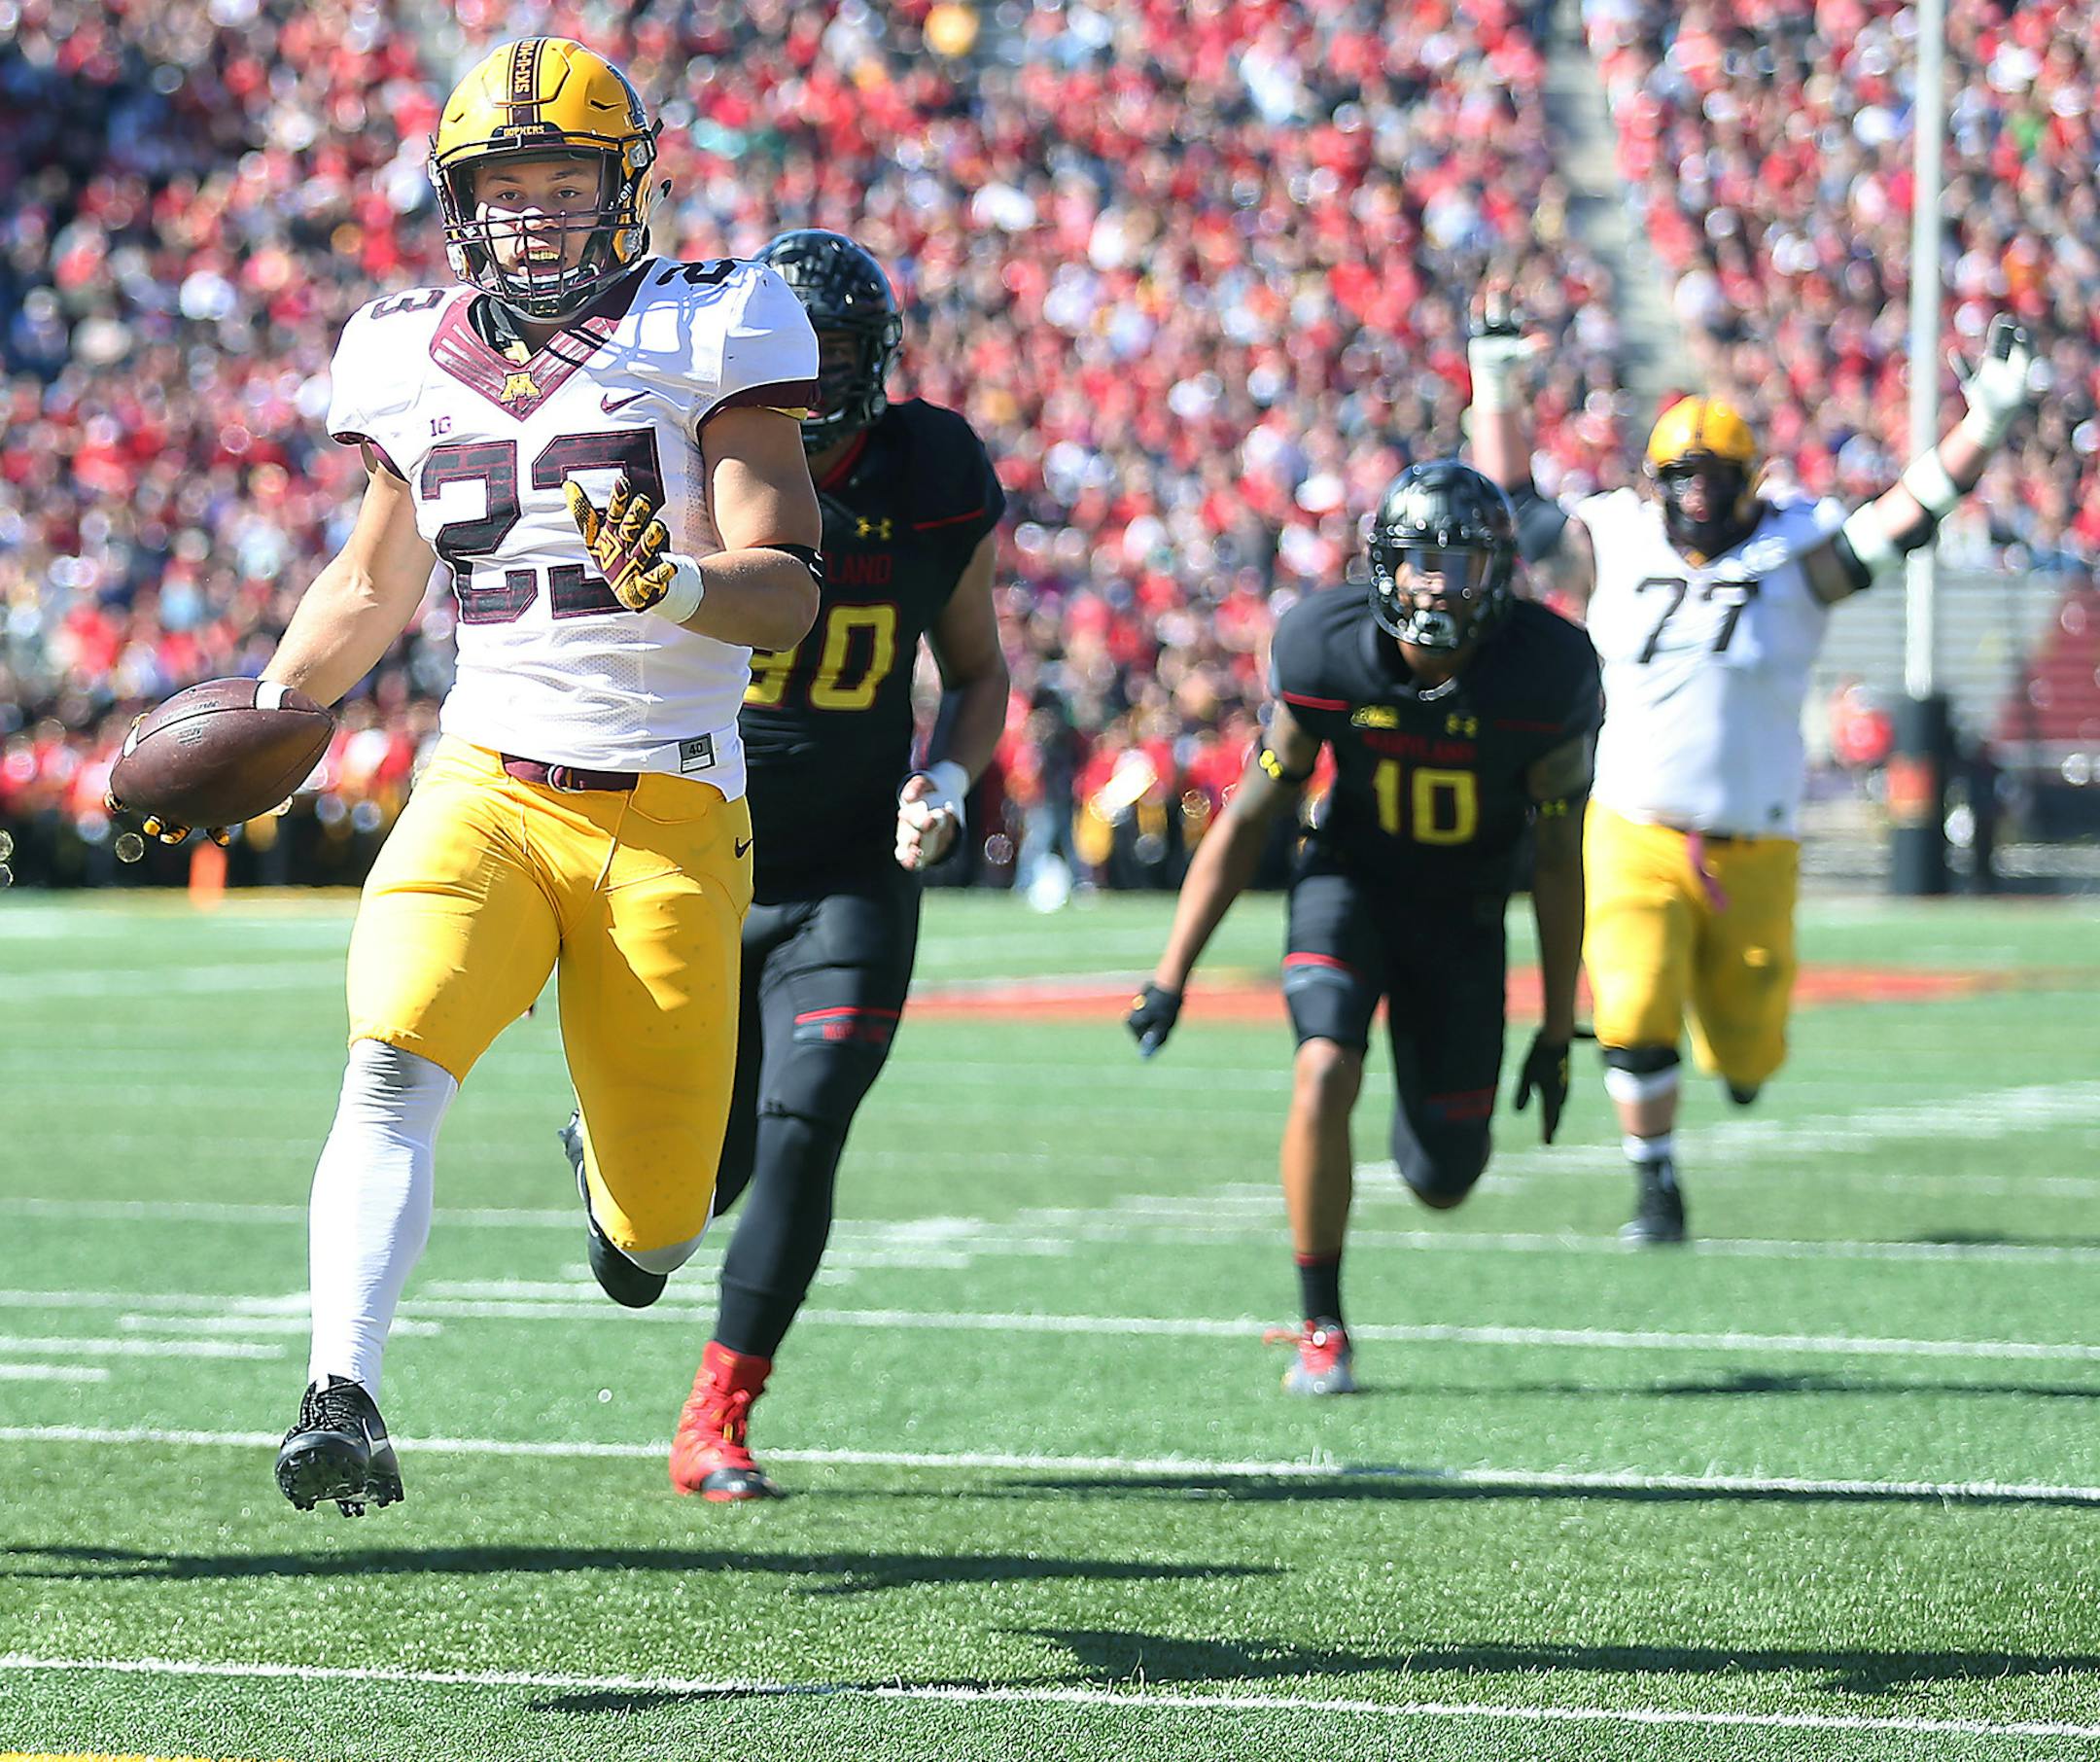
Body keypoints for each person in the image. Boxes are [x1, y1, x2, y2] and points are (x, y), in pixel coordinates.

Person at [217, 37, 824, 1515]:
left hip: (673, 818)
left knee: (664, 1228)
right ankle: (340, 1391)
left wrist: (675, 584)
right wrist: (267, 716)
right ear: (459, 202)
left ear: (626, 188)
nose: (536, 214)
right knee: (388, 1060)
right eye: (507, 187)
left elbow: (789, 584)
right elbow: (370, 582)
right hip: (485, 784)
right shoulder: (402, 353)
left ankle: (612, 1186)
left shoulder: (713, 325)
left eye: (564, 183)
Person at [556, 229, 1009, 1498]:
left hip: (856, 868)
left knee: (807, 1126)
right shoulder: (689, 454)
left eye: (835, 356)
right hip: (700, 856)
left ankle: (720, 1415)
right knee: (666, 1225)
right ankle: (610, 1156)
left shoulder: (932, 469)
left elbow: (976, 673)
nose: (809, 383)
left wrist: (953, 782)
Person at [1468, 304, 2036, 1244]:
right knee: (1632, 999)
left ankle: (1727, 1057)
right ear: (1654, 481)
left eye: (1712, 476)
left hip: (1757, 845)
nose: (1695, 496)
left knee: (1749, 1051)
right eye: (1680, 476)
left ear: (1750, 480)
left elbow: (1906, 516)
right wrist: (1496, 387)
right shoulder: (1612, 537)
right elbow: (1516, 509)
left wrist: (1989, 421)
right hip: (1633, 826)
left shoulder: (1795, 549)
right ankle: (1655, 1185)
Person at [1126, 462, 1601, 1395]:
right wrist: (1172, 972)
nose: (1435, 583)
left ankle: (1423, 1097)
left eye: (1458, 564)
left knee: (1444, 1178)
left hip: (1465, 914)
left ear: (1497, 576)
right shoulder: (1327, 649)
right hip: (1350, 884)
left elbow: (1556, 861)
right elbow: (1254, 814)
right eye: (1419, 560)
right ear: (1382, 567)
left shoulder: (1547, 671)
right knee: (1322, 1066)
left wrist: (1553, 1028)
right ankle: (1322, 1325)